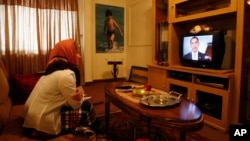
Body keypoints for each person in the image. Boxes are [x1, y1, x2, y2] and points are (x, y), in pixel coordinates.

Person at [22, 39, 97, 140]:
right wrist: (81, 91)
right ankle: (86, 133)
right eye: (76, 52)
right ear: (67, 53)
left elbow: (60, 98)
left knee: (80, 105)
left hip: (31, 121)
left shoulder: (52, 71)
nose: (79, 56)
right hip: (42, 126)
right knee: (87, 106)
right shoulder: (66, 74)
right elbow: (76, 104)